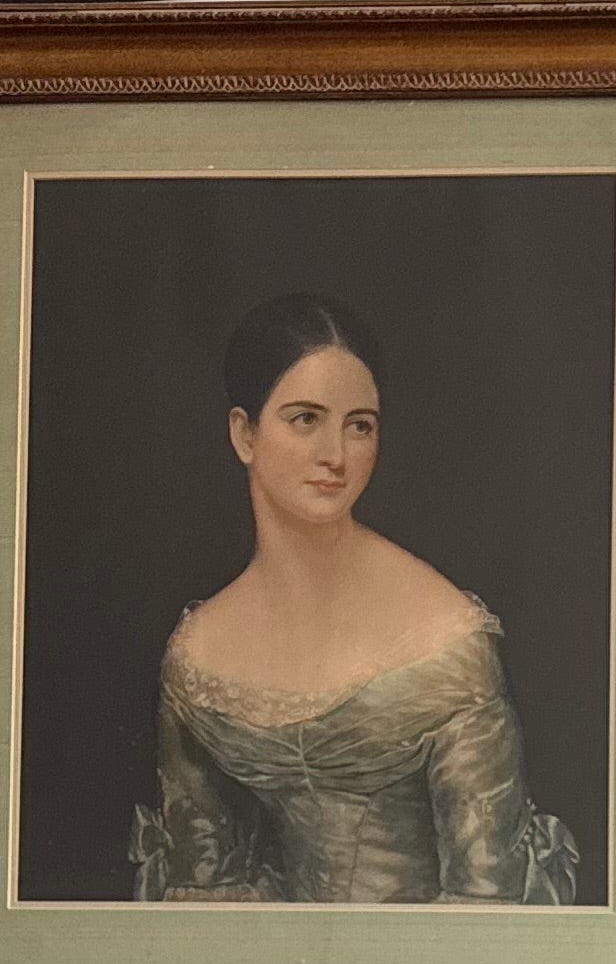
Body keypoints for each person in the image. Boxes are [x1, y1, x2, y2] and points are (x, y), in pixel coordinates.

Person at [134, 291, 577, 909]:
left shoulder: (444, 637)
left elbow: (486, 900)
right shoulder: (197, 651)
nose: (335, 456)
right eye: (305, 419)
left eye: (359, 426)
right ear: (244, 434)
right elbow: (205, 885)